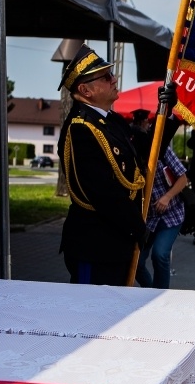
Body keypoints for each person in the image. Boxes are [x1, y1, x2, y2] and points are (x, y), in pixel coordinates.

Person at [56, 44, 177, 286]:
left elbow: (147, 151)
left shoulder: (110, 120)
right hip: (95, 246)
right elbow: (103, 193)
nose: (114, 79)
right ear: (85, 90)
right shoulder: (80, 129)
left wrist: (167, 111)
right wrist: (137, 228)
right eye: (106, 76)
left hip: (119, 242)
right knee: (94, 319)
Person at [130, 109, 188, 289]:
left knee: (160, 254)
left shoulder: (161, 150)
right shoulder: (130, 158)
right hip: (148, 219)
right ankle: (152, 294)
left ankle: (162, 295)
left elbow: (183, 179)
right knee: (136, 263)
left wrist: (167, 197)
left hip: (171, 215)